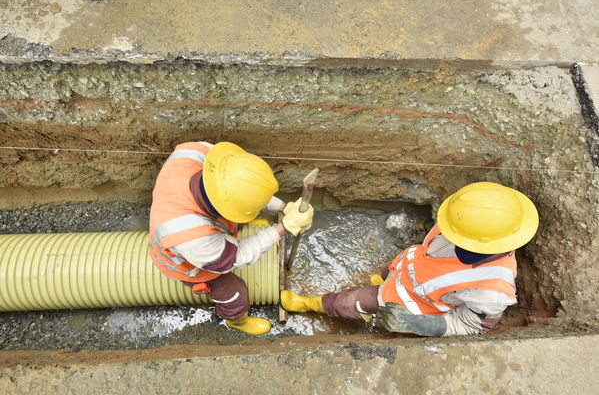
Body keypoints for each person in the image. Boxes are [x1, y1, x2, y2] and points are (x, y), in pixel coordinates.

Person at [281, 182, 539, 336]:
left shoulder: (491, 292)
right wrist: (391, 273)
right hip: (402, 271)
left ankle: (309, 304)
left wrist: (418, 324)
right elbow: (429, 253)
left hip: (408, 302)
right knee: (381, 276)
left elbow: (471, 326)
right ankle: (381, 282)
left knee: (349, 302)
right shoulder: (462, 219)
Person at [149, 141, 313, 335]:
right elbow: (237, 257)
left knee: (238, 217)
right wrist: (283, 228)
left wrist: (283, 207)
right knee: (234, 293)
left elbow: (243, 187)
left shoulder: (198, 154)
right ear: (224, 207)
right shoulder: (193, 238)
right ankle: (237, 320)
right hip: (189, 263)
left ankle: (239, 221)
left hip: (199, 224)